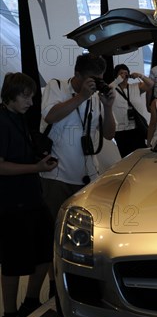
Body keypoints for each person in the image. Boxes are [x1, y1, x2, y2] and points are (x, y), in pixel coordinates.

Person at [39, 53, 116, 296]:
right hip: (57, 176)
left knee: (84, 238)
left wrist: (108, 106)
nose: (95, 84)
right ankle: (55, 285)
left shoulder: (95, 98)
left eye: (99, 79)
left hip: (87, 177)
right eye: (91, 79)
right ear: (78, 75)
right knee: (54, 236)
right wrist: (81, 96)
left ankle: (79, 283)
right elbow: (50, 116)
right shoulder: (57, 86)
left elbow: (109, 134)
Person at [0, 72, 58, 317]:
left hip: (31, 197)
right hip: (12, 202)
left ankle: (30, 302)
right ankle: (10, 315)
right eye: (26, 96)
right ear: (11, 94)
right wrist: (35, 167)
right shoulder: (2, 121)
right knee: (12, 261)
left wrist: (38, 163)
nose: (31, 102)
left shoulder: (18, 118)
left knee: (45, 249)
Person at [110, 64, 153, 157]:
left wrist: (140, 76)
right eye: (121, 73)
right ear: (116, 75)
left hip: (137, 128)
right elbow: (105, 91)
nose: (124, 75)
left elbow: (150, 84)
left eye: (126, 73)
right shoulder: (113, 89)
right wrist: (117, 81)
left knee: (139, 156)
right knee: (125, 157)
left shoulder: (136, 86)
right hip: (121, 130)